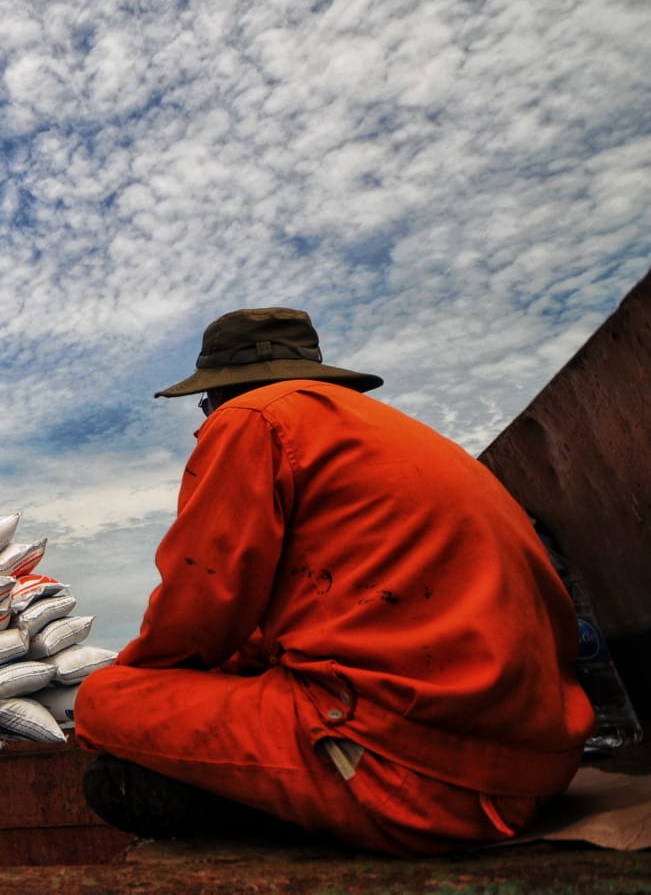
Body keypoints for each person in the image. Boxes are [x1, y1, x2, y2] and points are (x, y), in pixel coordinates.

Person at [75, 307, 594, 856]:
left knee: (102, 702)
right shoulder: (376, 429)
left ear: (221, 393)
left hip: (424, 776)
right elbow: (277, 618)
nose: (206, 415)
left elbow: (198, 606)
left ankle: (307, 808)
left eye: (205, 402)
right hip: (541, 766)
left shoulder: (250, 419)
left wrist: (146, 690)